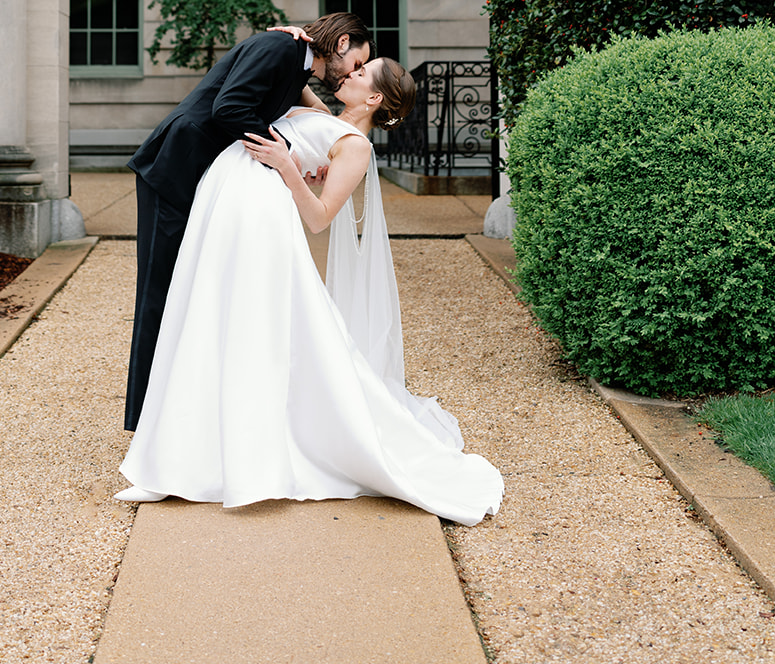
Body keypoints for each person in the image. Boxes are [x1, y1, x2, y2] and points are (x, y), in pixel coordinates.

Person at [117, 57, 504, 526]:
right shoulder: (324, 115)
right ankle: (179, 458)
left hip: (261, 216)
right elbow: (296, 71)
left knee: (249, 329)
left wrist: (287, 166)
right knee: (205, 318)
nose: (350, 73)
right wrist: (294, 44)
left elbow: (319, 218)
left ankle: (225, 462)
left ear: (374, 97)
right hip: (225, 199)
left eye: (361, 73)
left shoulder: (356, 147)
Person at [124, 12, 372, 430]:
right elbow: (229, 108)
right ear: (342, 43)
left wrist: (323, 150)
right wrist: (289, 154)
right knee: (158, 291)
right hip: (173, 169)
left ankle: (183, 406)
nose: (352, 73)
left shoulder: (296, 61)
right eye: (357, 63)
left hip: (205, 181)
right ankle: (145, 418)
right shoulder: (280, 48)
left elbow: (313, 112)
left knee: (191, 290)